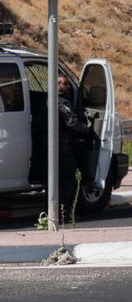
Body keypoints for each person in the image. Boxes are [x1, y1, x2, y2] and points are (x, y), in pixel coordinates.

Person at [56, 74, 92, 215]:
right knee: (68, 181)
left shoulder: (48, 100)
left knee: (54, 182)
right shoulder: (62, 103)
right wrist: (86, 128)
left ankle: (54, 210)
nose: (67, 86)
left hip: (50, 147)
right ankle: (64, 211)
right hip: (63, 148)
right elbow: (71, 121)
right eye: (65, 84)